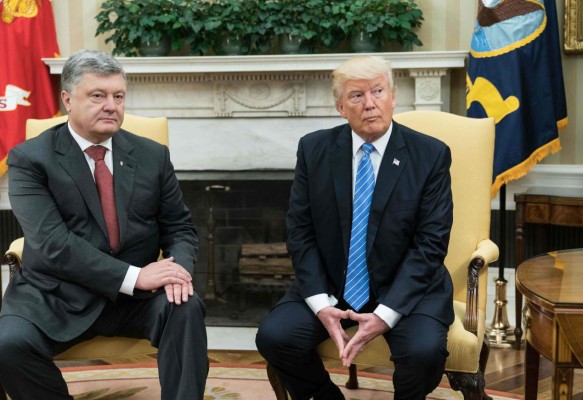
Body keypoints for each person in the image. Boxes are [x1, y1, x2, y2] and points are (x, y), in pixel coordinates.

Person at [0, 49, 208, 400]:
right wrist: (136, 276)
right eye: (97, 96)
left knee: (185, 307)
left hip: (136, 300)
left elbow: (180, 227)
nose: (111, 105)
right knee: (8, 345)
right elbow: (54, 245)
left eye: (118, 96)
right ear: (67, 99)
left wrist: (178, 273)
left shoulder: (151, 155)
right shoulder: (30, 159)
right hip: (56, 293)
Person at [255, 55, 454, 400]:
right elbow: (300, 233)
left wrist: (386, 314)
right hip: (334, 284)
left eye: (377, 91)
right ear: (340, 107)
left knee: (424, 353)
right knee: (275, 337)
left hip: (407, 290)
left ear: (393, 96)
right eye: (356, 96)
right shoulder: (314, 149)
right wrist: (319, 303)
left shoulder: (430, 155)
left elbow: (430, 245)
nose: (370, 104)